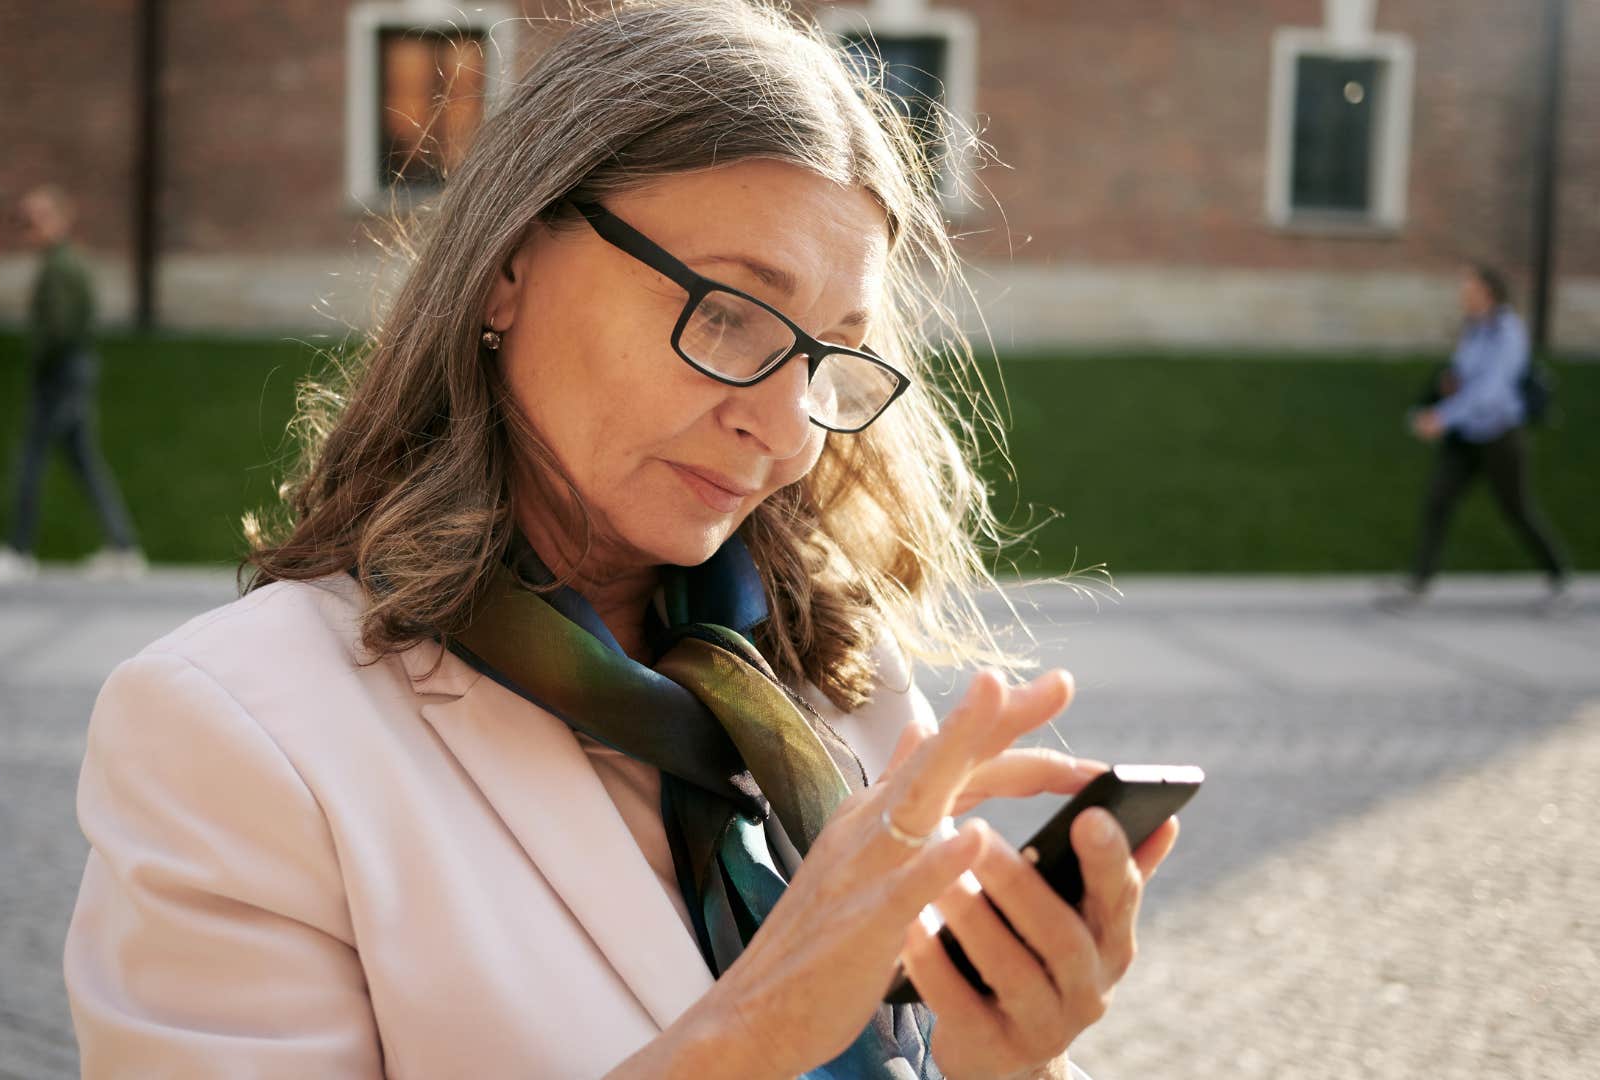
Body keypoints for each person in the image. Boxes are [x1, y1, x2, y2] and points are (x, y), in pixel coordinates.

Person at [63, 4, 1179, 1077]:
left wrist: (1012, 1061)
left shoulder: (838, 680)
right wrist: (751, 1035)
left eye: (829, 356)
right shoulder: (235, 734)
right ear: (509, 266)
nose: (786, 432)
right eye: (731, 313)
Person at [0, 184, 145, 584]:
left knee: (32, 458)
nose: (29, 227)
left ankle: (18, 550)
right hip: (71, 373)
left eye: (37, 218)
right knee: (84, 462)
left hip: (61, 376)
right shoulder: (62, 263)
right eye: (25, 220)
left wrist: (44, 365)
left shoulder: (62, 267)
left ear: (61, 220)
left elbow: (61, 330)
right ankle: (123, 548)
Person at [1387, 263, 1571, 611]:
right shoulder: (1473, 330)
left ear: (1487, 292)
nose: (1462, 295)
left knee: (1517, 508)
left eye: (1468, 288)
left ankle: (1560, 579)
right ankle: (1419, 582)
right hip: (1466, 435)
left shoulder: (1508, 332)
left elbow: (1491, 390)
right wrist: (1441, 397)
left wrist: (1442, 417)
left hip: (1500, 434)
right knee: (1438, 500)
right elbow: (1463, 377)